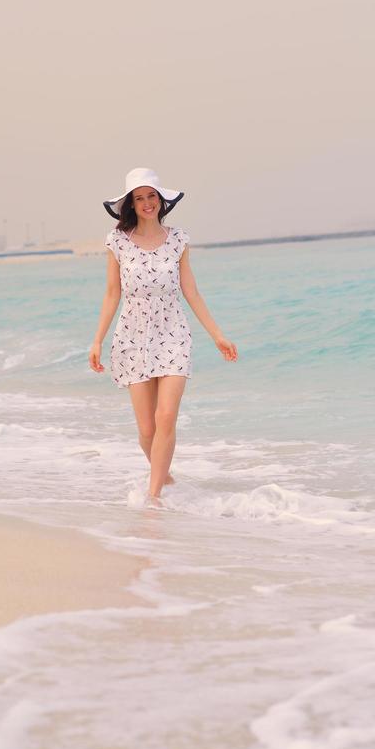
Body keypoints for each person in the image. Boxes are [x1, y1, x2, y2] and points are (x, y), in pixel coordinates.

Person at [89, 167, 238, 501]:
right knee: (147, 431)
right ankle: (164, 476)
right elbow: (112, 293)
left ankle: (153, 498)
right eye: (139, 198)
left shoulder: (179, 239)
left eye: (151, 196)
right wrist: (97, 339)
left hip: (173, 333)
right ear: (130, 204)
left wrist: (218, 335)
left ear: (161, 200)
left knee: (166, 416)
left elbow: (191, 291)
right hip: (132, 336)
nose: (146, 203)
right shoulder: (117, 243)